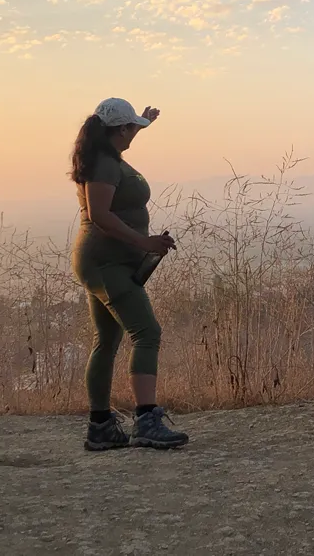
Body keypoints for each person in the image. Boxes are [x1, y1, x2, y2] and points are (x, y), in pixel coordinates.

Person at [71, 98, 188, 451]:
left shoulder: (105, 156)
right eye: (132, 127)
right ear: (121, 130)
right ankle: (146, 420)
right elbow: (100, 214)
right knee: (147, 333)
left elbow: (106, 209)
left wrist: (144, 121)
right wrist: (144, 242)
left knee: (107, 340)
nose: (135, 132)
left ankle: (100, 426)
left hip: (107, 261)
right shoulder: (105, 164)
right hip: (106, 263)